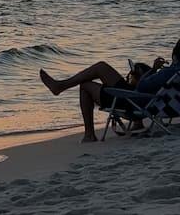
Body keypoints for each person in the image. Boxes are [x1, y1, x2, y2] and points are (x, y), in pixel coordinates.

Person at [39, 39, 180, 143]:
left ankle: (89, 134)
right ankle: (61, 87)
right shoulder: (175, 74)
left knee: (89, 81)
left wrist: (153, 70)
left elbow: (142, 86)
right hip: (149, 102)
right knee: (100, 69)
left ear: (175, 56)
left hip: (132, 101)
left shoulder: (170, 72)